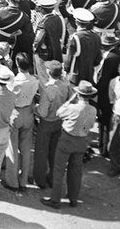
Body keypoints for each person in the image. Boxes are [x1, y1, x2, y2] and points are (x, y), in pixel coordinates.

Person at [43, 79, 96, 208]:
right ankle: (73, 198)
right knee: (76, 170)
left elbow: (59, 113)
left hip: (67, 139)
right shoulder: (93, 110)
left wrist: (69, 102)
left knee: (59, 169)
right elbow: (92, 125)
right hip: (81, 140)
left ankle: (55, 199)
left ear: (78, 94)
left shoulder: (72, 108)